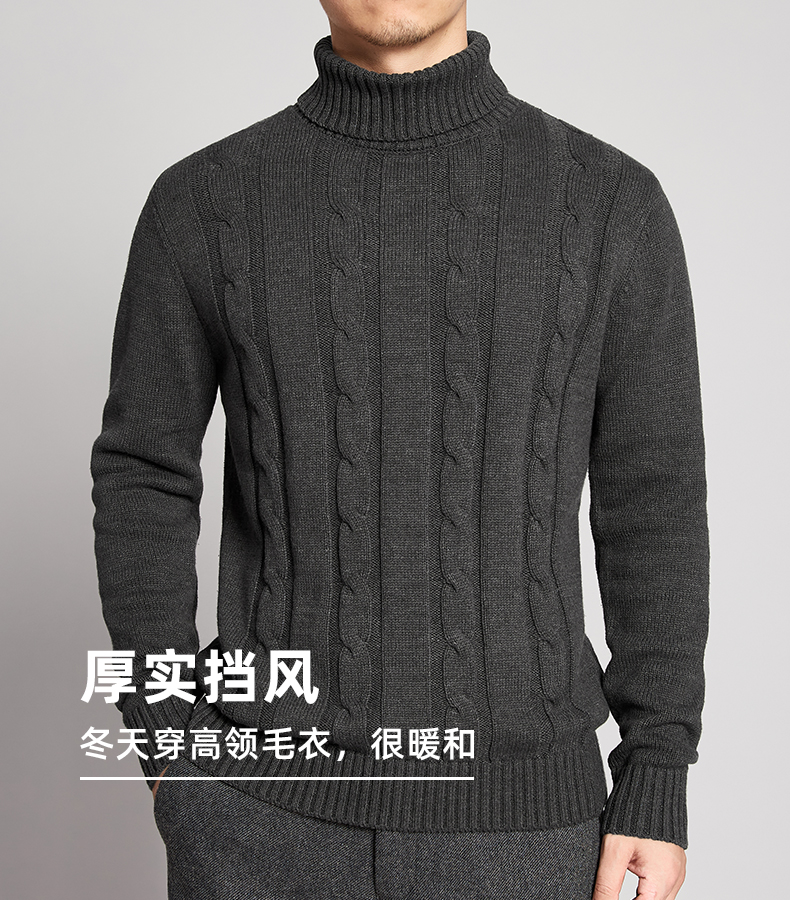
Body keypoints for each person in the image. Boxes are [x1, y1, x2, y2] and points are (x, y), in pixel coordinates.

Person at [89, 1, 710, 898]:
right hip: (258, 823)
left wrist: (657, 769)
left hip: (527, 832)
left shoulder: (612, 203)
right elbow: (142, 473)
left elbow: (654, 501)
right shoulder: (202, 202)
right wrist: (168, 743)